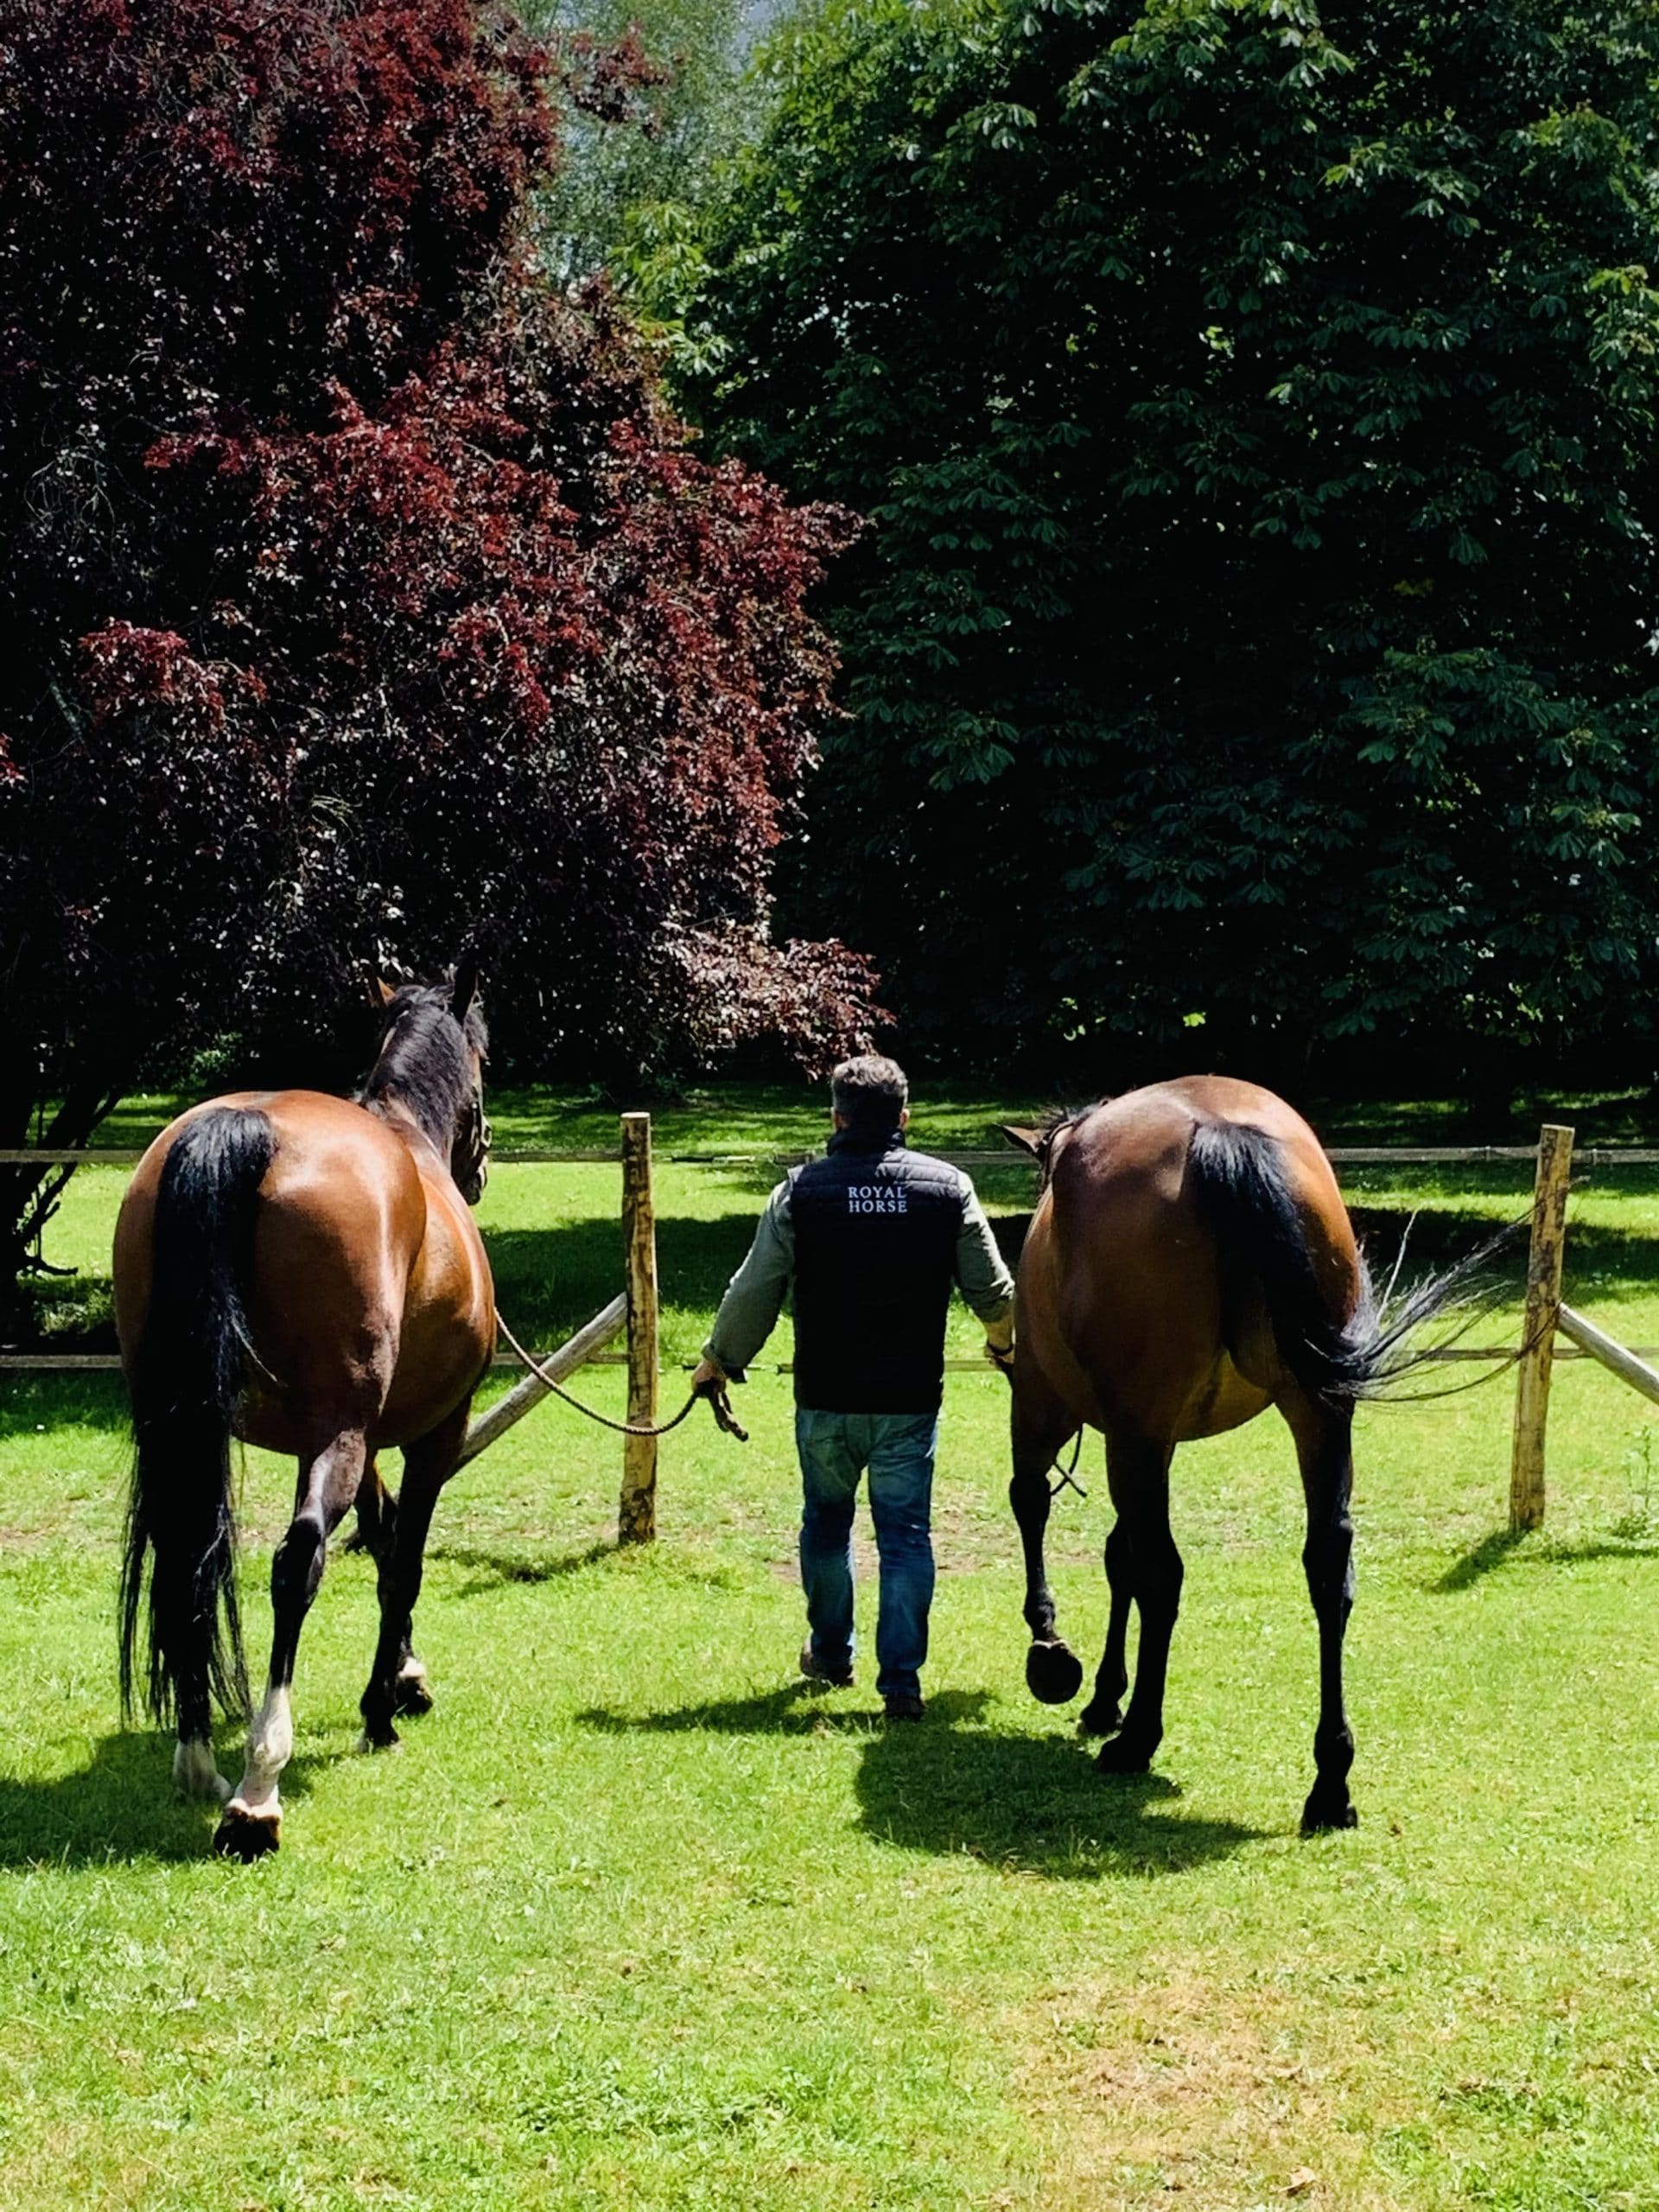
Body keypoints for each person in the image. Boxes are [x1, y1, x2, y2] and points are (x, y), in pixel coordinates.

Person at [691, 1055, 1015, 1719]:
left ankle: (832, 1654)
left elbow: (754, 1289)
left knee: (827, 1523)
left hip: (826, 1398)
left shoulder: (799, 1192)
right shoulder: (947, 1187)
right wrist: (1004, 1343)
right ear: (905, 1117)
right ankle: (901, 1684)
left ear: (835, 1117)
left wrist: (717, 1360)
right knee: (905, 1535)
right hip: (909, 1401)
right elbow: (992, 1290)